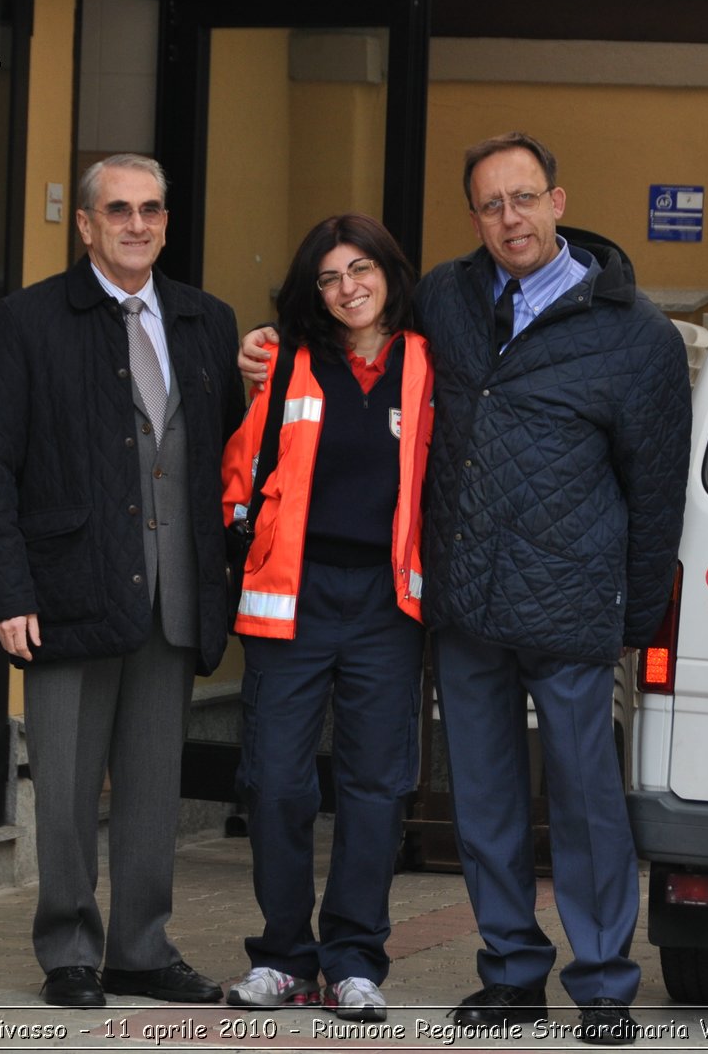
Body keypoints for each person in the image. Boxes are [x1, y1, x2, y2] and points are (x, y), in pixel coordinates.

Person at [240, 133, 690, 1045]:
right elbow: (354, 333)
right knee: (482, 801)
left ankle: (602, 985)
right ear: (473, 215)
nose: (508, 219)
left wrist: (639, 620)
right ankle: (512, 972)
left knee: (585, 802)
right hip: (465, 605)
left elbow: (657, 489)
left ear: (559, 201)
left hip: (570, 607)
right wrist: (271, 351)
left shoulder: (634, 332)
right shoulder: (446, 297)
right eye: (490, 205)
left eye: (524, 199)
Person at [0, 153, 244, 1009]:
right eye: (118, 209)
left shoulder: (206, 319)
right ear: (83, 224)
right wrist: (9, 592)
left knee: (154, 786)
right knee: (66, 785)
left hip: (175, 591)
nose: (137, 224)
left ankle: (140, 947)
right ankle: (71, 949)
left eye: (152, 209)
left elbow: (228, 455)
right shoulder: (29, 321)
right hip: (67, 589)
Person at [219, 213, 433, 1023]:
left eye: (362, 270)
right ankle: (282, 956)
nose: (349, 288)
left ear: (388, 273)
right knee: (275, 780)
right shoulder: (283, 360)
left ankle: (352, 961)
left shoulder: (425, 363)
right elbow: (240, 468)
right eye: (330, 277)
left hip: (387, 604)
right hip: (291, 598)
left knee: (375, 787)